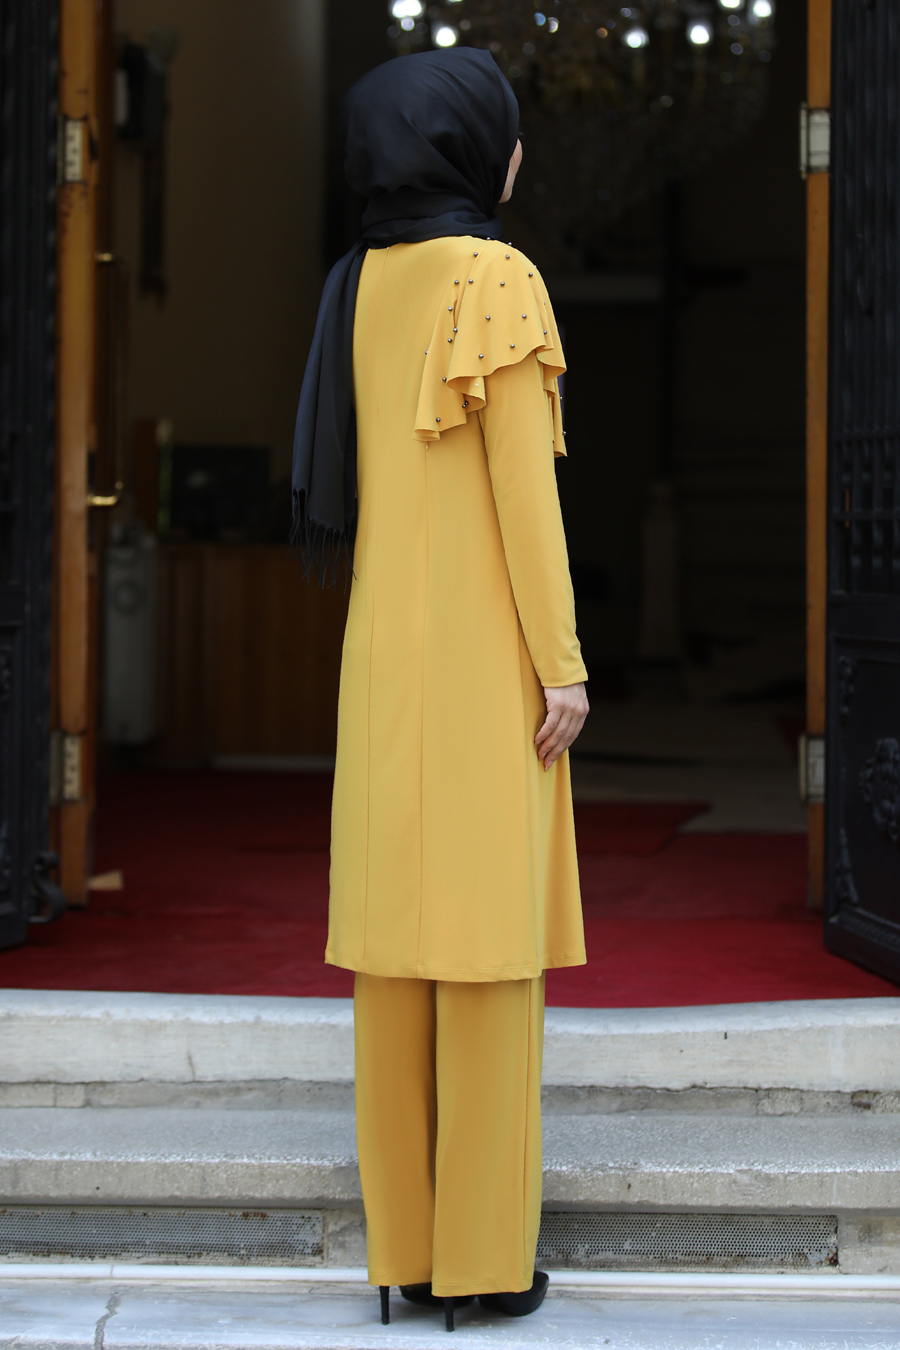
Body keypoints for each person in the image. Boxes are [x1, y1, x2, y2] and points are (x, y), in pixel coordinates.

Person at [291, 46, 588, 1332]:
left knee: (397, 965)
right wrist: (565, 662)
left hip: (383, 664)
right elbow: (527, 496)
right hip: (483, 663)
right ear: (473, 150)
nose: (518, 152)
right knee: (486, 967)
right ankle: (483, 1265)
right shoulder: (494, 276)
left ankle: (403, 1260)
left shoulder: (360, 284)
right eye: (507, 132)